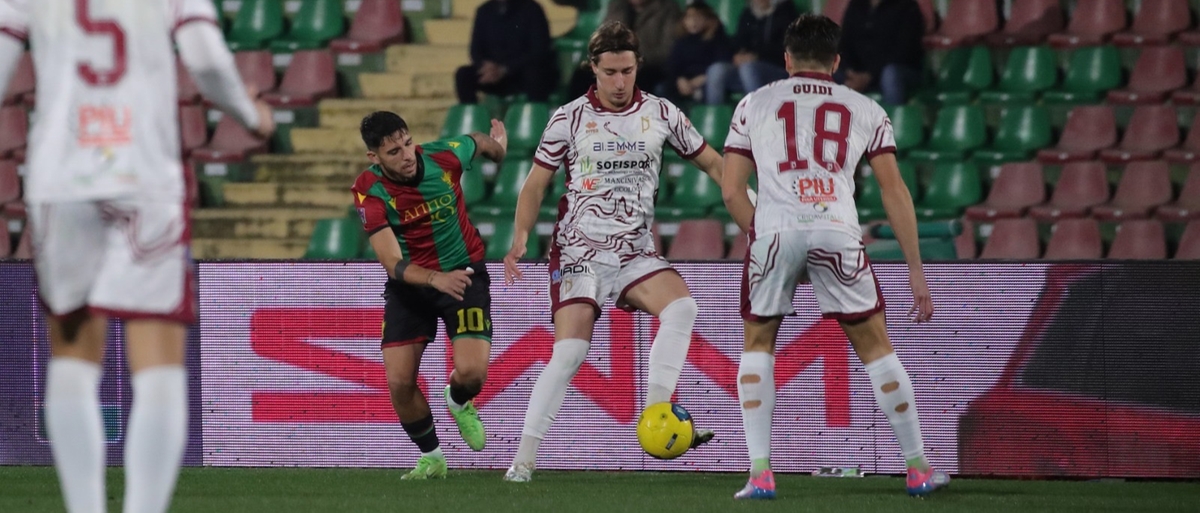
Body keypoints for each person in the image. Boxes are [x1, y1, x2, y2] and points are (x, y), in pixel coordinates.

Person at [0, 1, 274, 512]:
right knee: (158, 364)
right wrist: (252, 115)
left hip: (62, 177)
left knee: (73, 357)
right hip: (142, 173)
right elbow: (209, 63)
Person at [720, 14, 947, 500]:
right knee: (876, 348)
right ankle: (918, 469)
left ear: (785, 59)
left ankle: (760, 472)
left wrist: (761, 235)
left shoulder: (754, 102)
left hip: (775, 230)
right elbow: (894, 190)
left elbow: (731, 189)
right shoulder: (866, 108)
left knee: (758, 343)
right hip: (838, 230)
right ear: (837, 61)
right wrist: (915, 270)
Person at [501, 21, 726, 483]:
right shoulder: (568, 117)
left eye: (627, 70)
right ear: (594, 69)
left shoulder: (663, 113)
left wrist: (754, 209)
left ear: (637, 65)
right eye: (611, 72)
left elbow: (715, 164)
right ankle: (523, 459)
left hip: (634, 252)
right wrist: (520, 236)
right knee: (569, 354)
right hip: (579, 249)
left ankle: (656, 412)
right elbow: (536, 183)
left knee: (682, 307)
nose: (621, 82)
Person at [351, 111, 507, 480]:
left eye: (407, 143)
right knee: (399, 381)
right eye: (393, 152)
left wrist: (499, 150)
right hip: (413, 288)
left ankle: (457, 401)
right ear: (374, 157)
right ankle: (433, 457)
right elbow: (392, 262)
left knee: (472, 373)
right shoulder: (368, 190)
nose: (406, 155)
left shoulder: (444, 157)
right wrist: (435, 279)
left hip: (465, 277)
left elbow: (478, 141)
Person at [568, 0, 681, 98]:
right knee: (582, 76)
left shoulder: (667, 9)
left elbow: (667, 50)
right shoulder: (617, 6)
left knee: (640, 80)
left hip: (647, 66)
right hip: (613, 62)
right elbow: (601, 38)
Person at [455, 0, 557, 104]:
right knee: (463, 75)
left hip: (521, 72)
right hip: (493, 74)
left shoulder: (532, 9)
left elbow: (539, 50)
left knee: (535, 74)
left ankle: (535, 116)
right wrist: (486, 67)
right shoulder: (484, 11)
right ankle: (473, 118)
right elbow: (475, 50)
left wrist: (505, 69)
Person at [704, 0, 798, 105]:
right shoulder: (748, 13)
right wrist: (737, 56)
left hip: (777, 69)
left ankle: (757, 114)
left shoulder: (785, 11)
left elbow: (788, 47)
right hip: (748, 70)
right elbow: (739, 42)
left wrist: (757, 56)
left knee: (748, 69)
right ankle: (716, 118)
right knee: (716, 70)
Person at [837, 0, 925, 105]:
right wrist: (850, 72)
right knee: (826, 71)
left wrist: (870, 76)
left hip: (899, 71)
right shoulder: (856, 5)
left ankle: (890, 119)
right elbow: (844, 45)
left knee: (890, 75)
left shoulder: (907, 6)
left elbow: (904, 52)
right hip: (857, 73)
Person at [665, 1, 733, 103]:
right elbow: (673, 66)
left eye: (698, 17)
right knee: (664, 88)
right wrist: (680, 80)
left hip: (705, 82)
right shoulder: (682, 42)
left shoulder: (718, 39)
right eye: (689, 18)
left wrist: (696, 82)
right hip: (685, 83)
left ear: (708, 19)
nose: (693, 22)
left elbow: (721, 65)